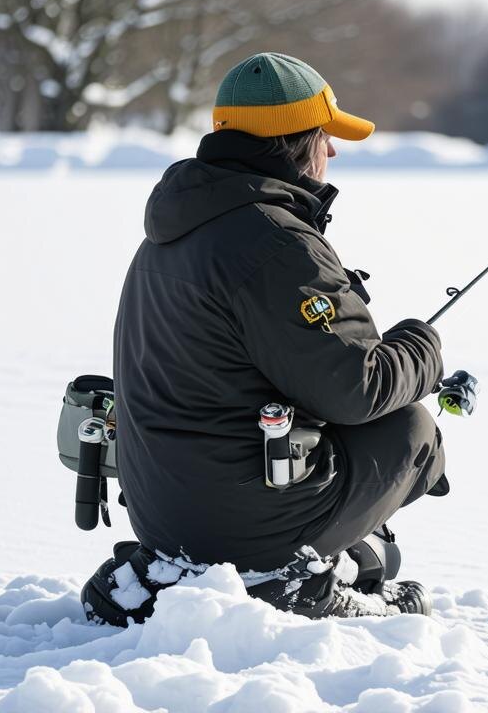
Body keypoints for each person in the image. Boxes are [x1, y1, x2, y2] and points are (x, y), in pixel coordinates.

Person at [80, 52, 449, 625]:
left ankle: (287, 557)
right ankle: (290, 582)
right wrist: (423, 346)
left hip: (163, 514)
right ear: (298, 142)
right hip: (241, 523)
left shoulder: (173, 228)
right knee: (410, 427)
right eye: (326, 136)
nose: (333, 151)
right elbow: (357, 389)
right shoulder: (276, 244)